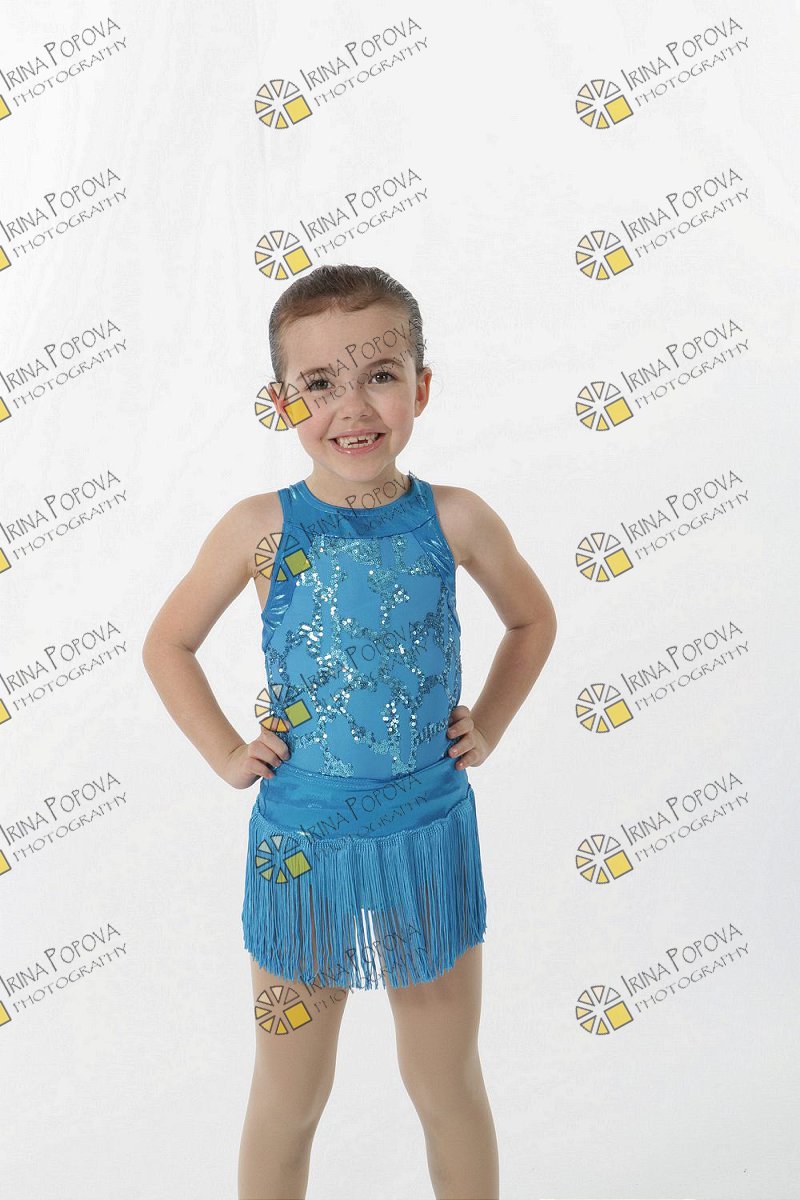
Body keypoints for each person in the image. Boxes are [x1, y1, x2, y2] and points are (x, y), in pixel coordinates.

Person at [142, 263, 557, 1200]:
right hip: (303, 847)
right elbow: (169, 643)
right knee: (290, 1095)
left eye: (379, 375)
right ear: (282, 402)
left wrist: (488, 724)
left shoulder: (456, 517)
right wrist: (226, 752)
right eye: (320, 383)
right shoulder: (259, 528)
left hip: (427, 835)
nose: (352, 407)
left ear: (422, 386)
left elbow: (533, 619)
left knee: (446, 1085)